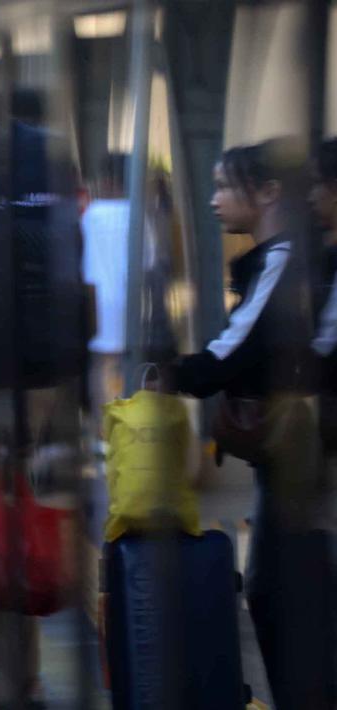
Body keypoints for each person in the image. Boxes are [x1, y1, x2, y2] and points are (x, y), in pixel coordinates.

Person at [173, 139, 333, 710]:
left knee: (280, 594)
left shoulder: (290, 257)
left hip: (308, 453)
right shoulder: (295, 256)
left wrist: (170, 376)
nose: (213, 200)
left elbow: (234, 350)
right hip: (294, 453)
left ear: (265, 193)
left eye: (223, 186)